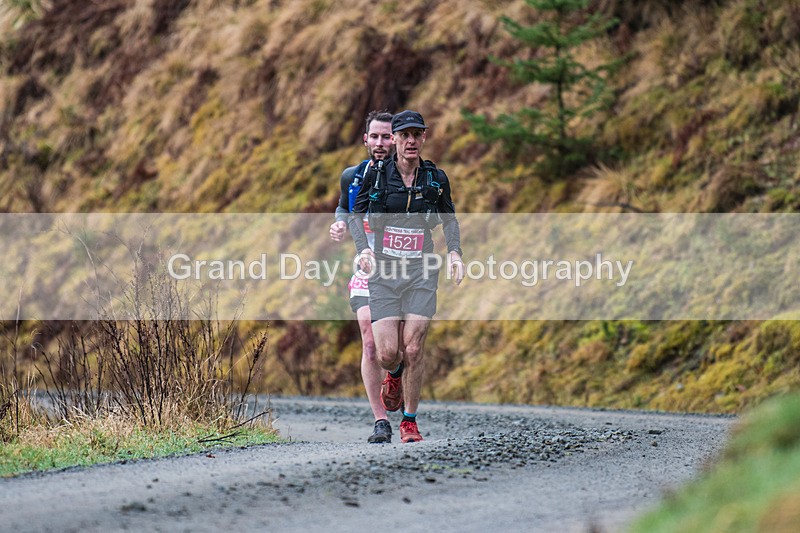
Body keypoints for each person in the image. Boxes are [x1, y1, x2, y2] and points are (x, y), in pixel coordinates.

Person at [349, 110, 464, 443]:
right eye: (404, 135)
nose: (410, 141)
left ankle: (409, 421)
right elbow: (357, 214)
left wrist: (454, 252)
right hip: (384, 271)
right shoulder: (378, 175)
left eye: (417, 134)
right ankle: (394, 374)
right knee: (387, 353)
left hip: (421, 272)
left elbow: (450, 218)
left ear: (424, 137)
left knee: (413, 348)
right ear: (395, 138)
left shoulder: (435, 178)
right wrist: (363, 250)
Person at [329, 110, 396, 443]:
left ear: (396, 139)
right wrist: (340, 222)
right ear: (365, 139)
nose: (381, 143)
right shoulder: (353, 176)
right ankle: (380, 421)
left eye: (387, 136)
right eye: (375, 136)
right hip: (366, 267)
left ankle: (395, 374)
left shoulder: (408, 178)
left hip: (403, 269)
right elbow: (344, 206)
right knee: (369, 341)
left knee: (394, 350)